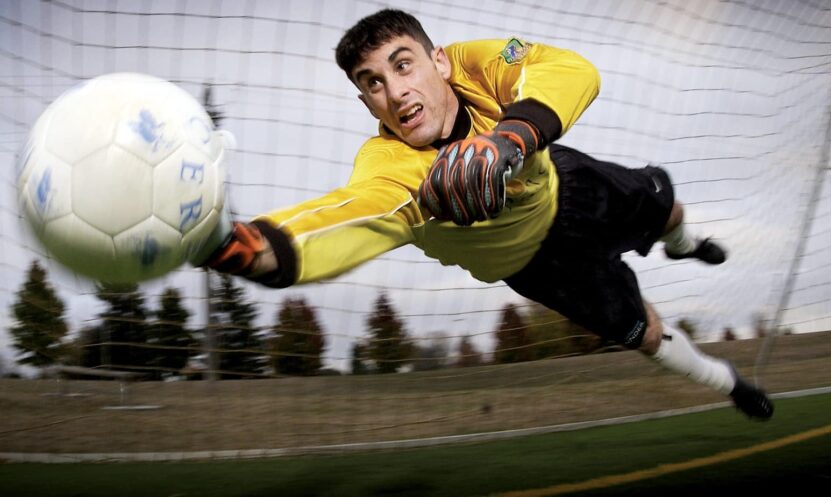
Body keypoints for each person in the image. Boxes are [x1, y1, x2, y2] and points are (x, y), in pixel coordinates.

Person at [199, 9, 773, 419]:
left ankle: (682, 243)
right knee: (644, 333)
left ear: (439, 62)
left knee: (665, 206)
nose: (395, 92)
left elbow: (570, 70)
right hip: (538, 266)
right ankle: (729, 383)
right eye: (372, 83)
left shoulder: (482, 64)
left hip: (567, 185)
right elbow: (344, 218)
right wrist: (241, 246)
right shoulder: (388, 166)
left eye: (403, 66)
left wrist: (509, 139)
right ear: (364, 101)